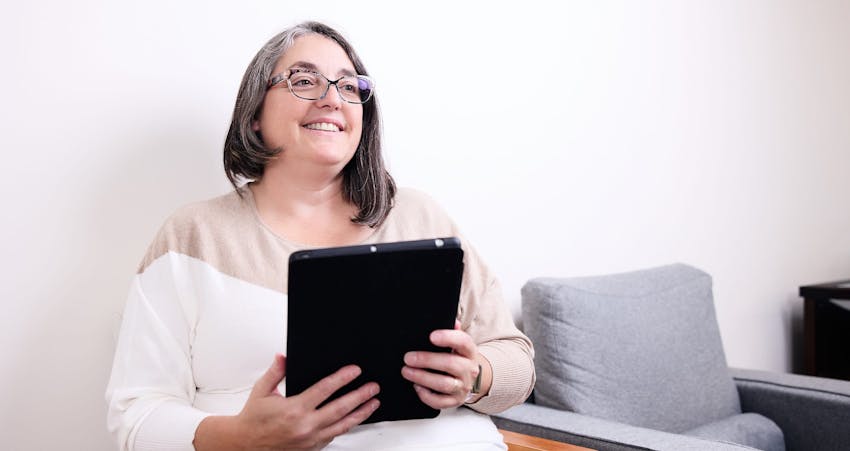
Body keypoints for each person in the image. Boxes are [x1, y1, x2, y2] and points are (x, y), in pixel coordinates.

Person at [105, 21, 535, 450]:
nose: (332, 99)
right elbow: (135, 416)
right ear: (254, 115)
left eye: (349, 88)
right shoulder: (193, 236)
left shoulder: (422, 217)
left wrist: (475, 375)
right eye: (304, 80)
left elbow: (517, 364)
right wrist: (239, 437)